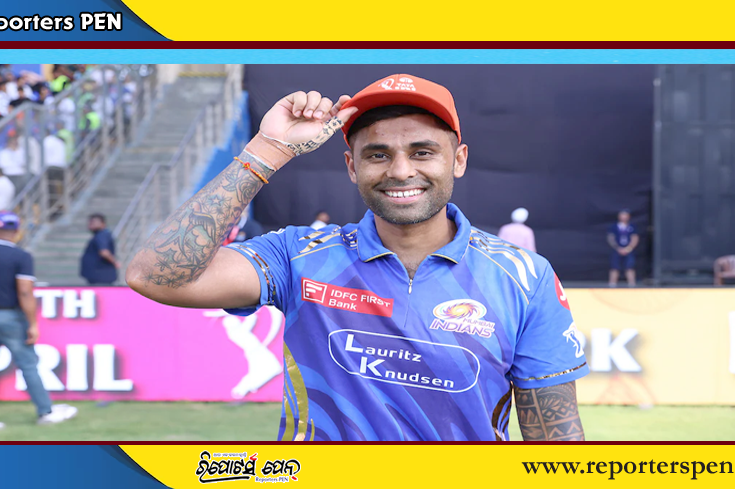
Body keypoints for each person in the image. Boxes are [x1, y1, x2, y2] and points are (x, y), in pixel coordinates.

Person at [128, 74, 588, 442]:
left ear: (459, 160)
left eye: (423, 152)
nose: (401, 171)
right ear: (352, 167)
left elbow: (556, 442)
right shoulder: (297, 255)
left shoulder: (524, 276)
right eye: (378, 155)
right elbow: (155, 276)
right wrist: (267, 149)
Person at [0, 211, 78, 433]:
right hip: (9, 316)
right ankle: (46, 412)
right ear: (16, 232)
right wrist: (32, 323)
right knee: (28, 364)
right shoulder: (20, 256)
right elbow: (24, 292)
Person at [80, 214, 119, 285]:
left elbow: (104, 252)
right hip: (98, 275)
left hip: (101, 276)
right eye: (90, 222)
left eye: (93, 222)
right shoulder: (99, 235)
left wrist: (115, 262)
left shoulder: (102, 235)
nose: (90, 224)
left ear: (102, 223)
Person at [607, 209, 639, 287]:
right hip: (617, 250)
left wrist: (628, 248)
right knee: (614, 267)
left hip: (629, 250)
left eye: (626, 215)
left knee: (629, 267)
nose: (624, 217)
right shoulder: (614, 227)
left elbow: (635, 238)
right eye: (622, 215)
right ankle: (612, 284)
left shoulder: (632, 227)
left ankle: (632, 284)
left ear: (629, 217)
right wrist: (617, 248)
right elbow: (611, 238)